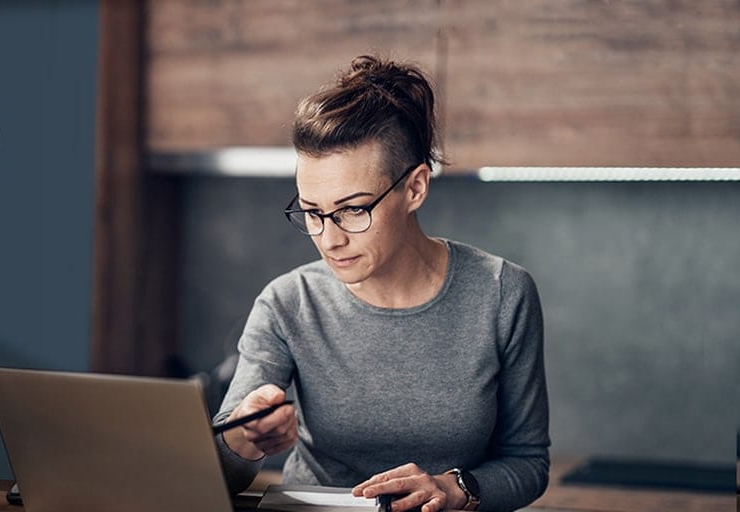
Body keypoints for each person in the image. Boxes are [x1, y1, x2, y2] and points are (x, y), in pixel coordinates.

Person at [212, 55, 550, 512]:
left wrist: (454, 489)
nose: (329, 239)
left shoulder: (501, 293)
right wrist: (245, 438)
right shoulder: (287, 302)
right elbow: (215, 474)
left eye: (353, 209)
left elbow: (528, 462)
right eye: (312, 212)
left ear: (415, 188)